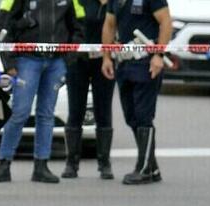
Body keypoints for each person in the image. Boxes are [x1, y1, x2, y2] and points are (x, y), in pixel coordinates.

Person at [0, 0, 82, 184]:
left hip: (56, 62)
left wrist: (68, 60)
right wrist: (9, 62)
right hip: (27, 60)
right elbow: (3, 26)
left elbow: (79, 26)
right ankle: (3, 165)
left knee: (46, 114)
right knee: (19, 113)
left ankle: (41, 166)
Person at [101, 0, 171, 185]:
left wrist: (159, 55)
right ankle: (152, 167)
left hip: (146, 62)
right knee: (131, 116)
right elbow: (109, 24)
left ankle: (145, 168)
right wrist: (106, 57)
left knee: (143, 115)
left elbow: (166, 22)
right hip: (125, 62)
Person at [62, 0, 115, 180]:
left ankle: (104, 162)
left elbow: (120, 25)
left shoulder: (113, 4)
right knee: (76, 111)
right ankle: (72, 163)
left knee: (103, 111)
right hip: (78, 61)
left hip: (105, 60)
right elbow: (66, 24)